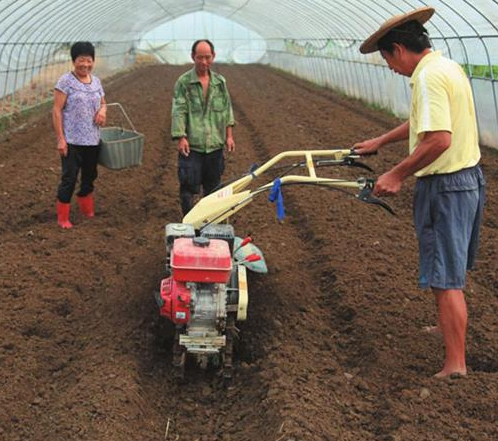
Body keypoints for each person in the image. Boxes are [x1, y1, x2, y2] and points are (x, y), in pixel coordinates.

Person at [354, 7, 486, 378]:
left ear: (397, 49)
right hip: (467, 179)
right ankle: (446, 328)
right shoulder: (445, 67)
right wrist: (381, 140)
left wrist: (397, 174)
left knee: (446, 278)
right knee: (447, 269)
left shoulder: (427, 79)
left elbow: (439, 139)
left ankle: (455, 364)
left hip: (446, 186)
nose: (392, 69)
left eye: (388, 61)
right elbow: (424, 122)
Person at [171, 39, 235, 216]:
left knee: (213, 188)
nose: (204, 62)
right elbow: (179, 110)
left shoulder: (220, 82)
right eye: (200, 57)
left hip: (215, 144)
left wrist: (229, 136)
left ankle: (210, 221)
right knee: (188, 187)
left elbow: (227, 109)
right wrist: (181, 137)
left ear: (213, 57)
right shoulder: (184, 82)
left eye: (207, 57)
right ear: (193, 57)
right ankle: (189, 222)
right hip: (192, 146)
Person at [52, 41, 106, 229]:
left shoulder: (96, 81)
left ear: (93, 61)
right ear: (74, 61)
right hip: (72, 141)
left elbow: (103, 102)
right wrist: (61, 139)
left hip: (92, 140)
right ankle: (63, 217)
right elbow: (57, 110)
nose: (85, 64)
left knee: (90, 176)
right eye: (81, 60)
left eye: (89, 60)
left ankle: (85, 205)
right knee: (69, 177)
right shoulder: (65, 82)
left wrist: (102, 111)